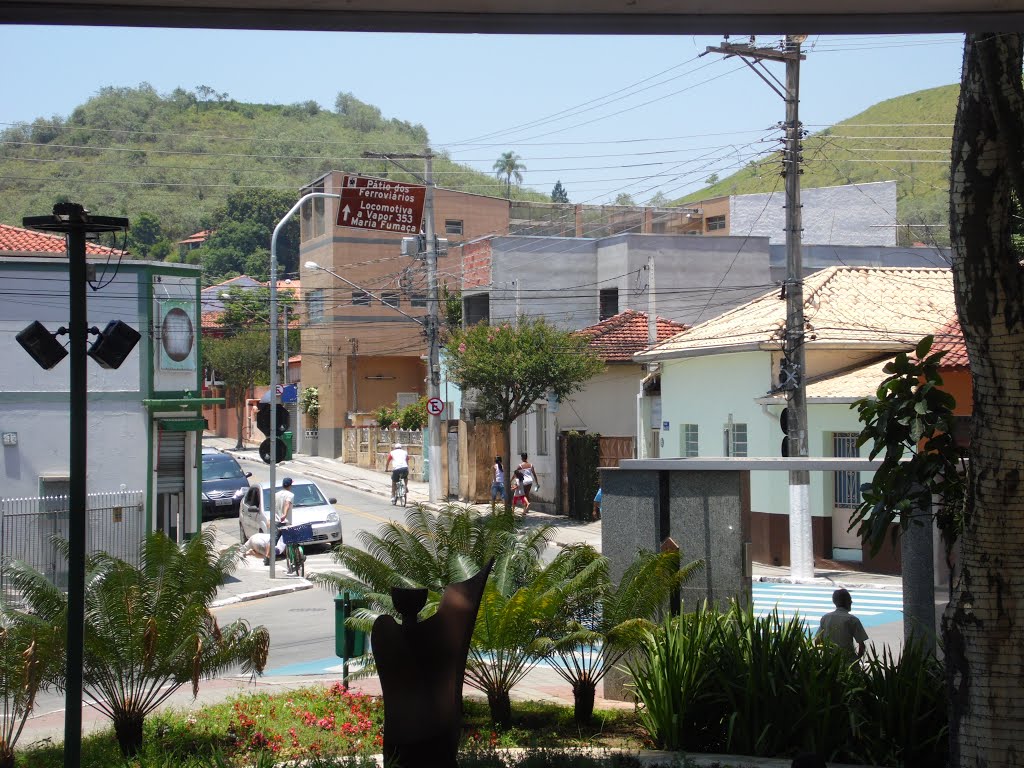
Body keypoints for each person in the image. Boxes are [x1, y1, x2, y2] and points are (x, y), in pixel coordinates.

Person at [816, 588, 868, 660]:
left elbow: (817, 641)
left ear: (834, 602)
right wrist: (856, 659)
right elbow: (861, 645)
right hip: (847, 660)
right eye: (850, 599)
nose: (851, 602)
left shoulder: (825, 618)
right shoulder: (853, 620)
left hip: (829, 662)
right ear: (847, 602)